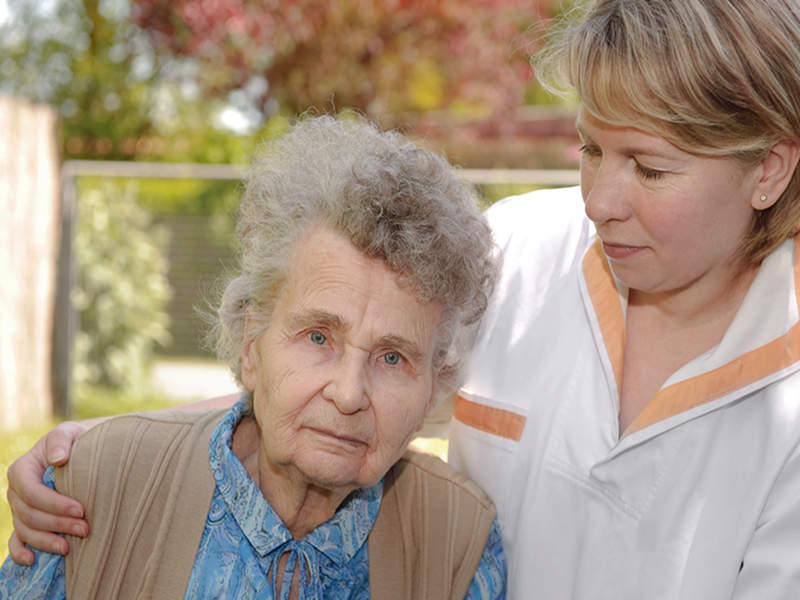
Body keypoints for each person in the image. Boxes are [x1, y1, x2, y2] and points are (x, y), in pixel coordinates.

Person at [10, 0, 800, 596]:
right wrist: (95, 450)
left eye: (650, 169)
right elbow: (347, 357)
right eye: (591, 148)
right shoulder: (518, 250)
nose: (599, 199)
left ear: (768, 169)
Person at [0, 115, 506, 599]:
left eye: (393, 358)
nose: (349, 394)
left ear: (432, 390)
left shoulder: (459, 544)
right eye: (317, 337)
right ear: (251, 344)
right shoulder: (94, 488)